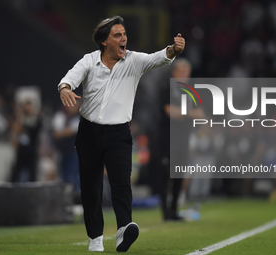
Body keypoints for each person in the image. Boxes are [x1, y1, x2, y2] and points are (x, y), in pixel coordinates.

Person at [58, 16, 185, 252]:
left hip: (119, 134)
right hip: (88, 133)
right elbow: (69, 79)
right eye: (117, 35)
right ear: (105, 41)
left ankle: (123, 230)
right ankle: (95, 238)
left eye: (124, 34)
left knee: (121, 184)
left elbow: (158, 58)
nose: (123, 38)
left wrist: (172, 50)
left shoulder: (134, 60)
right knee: (91, 187)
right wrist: (65, 88)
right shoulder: (89, 61)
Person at [159, 58, 205, 221]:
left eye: (187, 71)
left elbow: (200, 114)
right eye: (181, 71)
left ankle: (174, 209)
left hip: (183, 138)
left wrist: (182, 113)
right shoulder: (167, 89)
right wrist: (188, 113)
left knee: (178, 174)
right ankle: (165, 210)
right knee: (166, 174)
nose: (185, 74)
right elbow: (170, 111)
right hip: (168, 138)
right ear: (174, 73)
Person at [52, 103, 81, 198]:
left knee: (73, 176)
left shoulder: (79, 118)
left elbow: (69, 131)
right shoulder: (60, 116)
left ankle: (76, 199)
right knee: (63, 177)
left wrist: (62, 133)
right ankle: (66, 200)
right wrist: (65, 132)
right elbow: (56, 134)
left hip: (74, 153)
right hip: (61, 152)